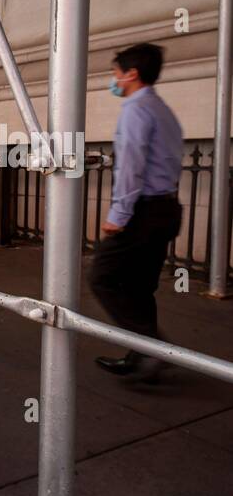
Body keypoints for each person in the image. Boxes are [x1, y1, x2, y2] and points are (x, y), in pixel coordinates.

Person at [90, 43, 184, 384]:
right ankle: (144, 353)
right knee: (139, 285)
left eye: (115, 72)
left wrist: (119, 214)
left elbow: (131, 166)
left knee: (102, 277)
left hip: (143, 212)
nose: (113, 79)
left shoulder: (135, 109)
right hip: (166, 208)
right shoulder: (162, 109)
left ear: (131, 74)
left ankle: (151, 349)